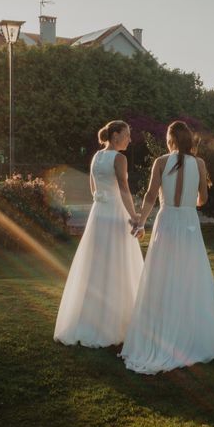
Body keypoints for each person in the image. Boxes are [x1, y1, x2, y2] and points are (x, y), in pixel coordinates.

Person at [120, 121, 214, 374]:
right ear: (189, 140)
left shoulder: (161, 162)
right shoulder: (200, 164)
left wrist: (140, 220)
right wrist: (191, 201)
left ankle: (162, 331)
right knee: (190, 276)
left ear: (170, 139)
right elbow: (203, 199)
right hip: (188, 221)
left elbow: (150, 196)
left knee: (162, 275)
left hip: (167, 220)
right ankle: (189, 332)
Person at [54, 120, 144, 347]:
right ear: (115, 136)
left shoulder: (96, 157)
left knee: (96, 264)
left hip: (99, 213)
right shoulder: (119, 158)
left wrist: (103, 199)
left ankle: (89, 320)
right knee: (118, 263)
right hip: (115, 213)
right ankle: (117, 322)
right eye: (126, 134)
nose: (129, 139)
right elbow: (124, 189)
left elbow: (94, 189)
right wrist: (134, 216)